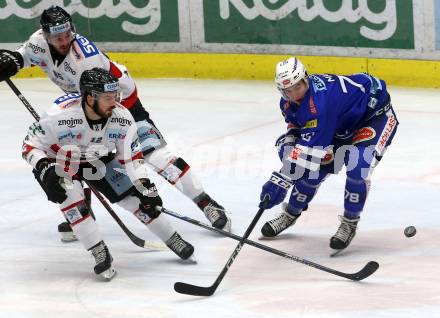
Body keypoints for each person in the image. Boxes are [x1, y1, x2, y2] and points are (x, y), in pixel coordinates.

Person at [1, 5, 231, 242]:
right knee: (78, 151)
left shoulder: (84, 61)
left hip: (121, 103)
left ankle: (207, 204)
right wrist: (10, 61)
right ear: (45, 34)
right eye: (57, 36)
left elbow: (104, 97)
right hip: (88, 107)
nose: (63, 40)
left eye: (67, 34)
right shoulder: (37, 42)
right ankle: (83, 209)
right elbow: (24, 56)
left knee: (156, 156)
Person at [22, 68, 196, 280]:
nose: (114, 102)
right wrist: (43, 167)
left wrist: (145, 187)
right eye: (107, 97)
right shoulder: (60, 116)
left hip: (98, 159)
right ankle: (98, 250)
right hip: (60, 160)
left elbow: (132, 160)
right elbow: (29, 145)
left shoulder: (122, 119)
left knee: (137, 199)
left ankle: (172, 238)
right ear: (89, 98)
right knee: (73, 203)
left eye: (115, 95)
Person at [259, 57, 398, 253]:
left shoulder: (320, 103)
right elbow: (297, 125)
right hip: (338, 125)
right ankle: (291, 213)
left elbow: (311, 150)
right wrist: (289, 144)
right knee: (309, 172)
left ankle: (350, 222)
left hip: (372, 118)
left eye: (296, 87)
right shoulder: (288, 103)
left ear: (305, 79)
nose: (293, 94)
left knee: (358, 168)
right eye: (287, 91)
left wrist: (281, 179)